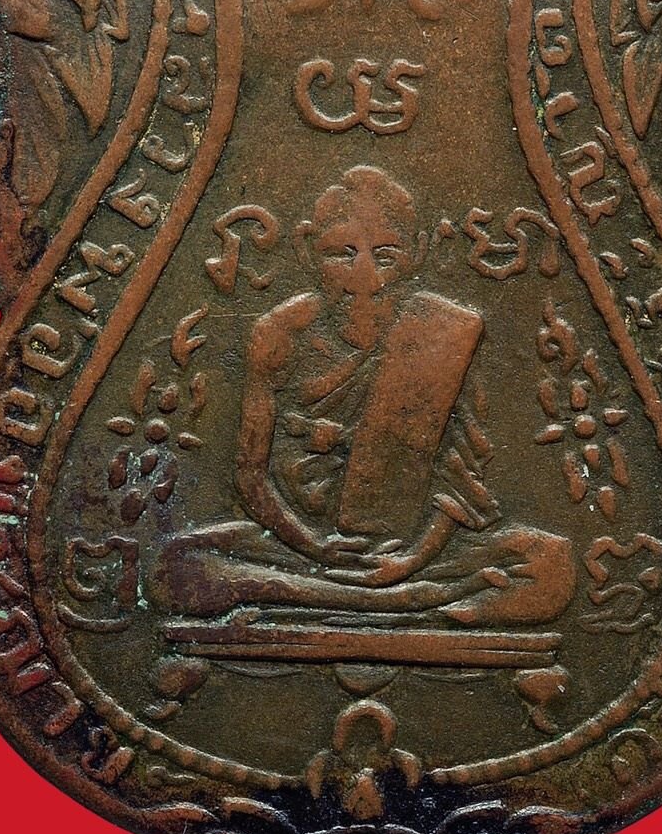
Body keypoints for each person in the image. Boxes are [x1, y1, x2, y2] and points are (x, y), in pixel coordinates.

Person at [148, 166, 574, 625]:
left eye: (386, 256)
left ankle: (349, 600)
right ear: (306, 249)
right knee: (174, 567)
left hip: (415, 549)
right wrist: (316, 546)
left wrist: (408, 562)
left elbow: (460, 479)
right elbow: (250, 477)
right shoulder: (278, 334)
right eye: (342, 254)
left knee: (550, 562)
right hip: (298, 545)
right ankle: (409, 606)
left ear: (418, 252)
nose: (364, 278)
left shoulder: (445, 331)